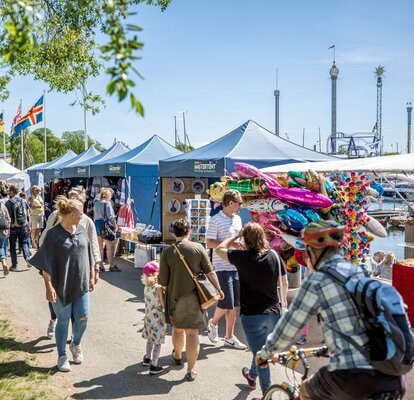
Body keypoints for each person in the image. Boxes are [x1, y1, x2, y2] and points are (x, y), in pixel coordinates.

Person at [256, 220, 406, 400]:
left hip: (352, 377)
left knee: (305, 390)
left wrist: (266, 353)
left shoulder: (318, 280)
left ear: (312, 252)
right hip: (394, 379)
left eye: (306, 253)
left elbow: (290, 325)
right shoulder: (360, 274)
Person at [215, 222, 288, 397]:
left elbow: (219, 249)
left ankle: (267, 394)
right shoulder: (274, 256)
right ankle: (251, 375)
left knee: (261, 357)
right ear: (262, 237)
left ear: (246, 239)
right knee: (260, 350)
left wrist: (236, 235)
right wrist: (283, 303)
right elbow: (284, 283)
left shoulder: (242, 257)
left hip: (252, 316)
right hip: (274, 313)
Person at [29, 197, 95, 372]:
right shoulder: (53, 234)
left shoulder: (81, 229)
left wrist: (93, 272)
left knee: (83, 317)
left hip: (80, 283)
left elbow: (88, 254)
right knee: (64, 320)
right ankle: (62, 355)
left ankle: (76, 344)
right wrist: (48, 286)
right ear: (72, 214)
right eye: (81, 213)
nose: (83, 215)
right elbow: (45, 262)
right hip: (60, 285)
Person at [158, 218, 223, 381]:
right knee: (193, 333)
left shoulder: (167, 252)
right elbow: (210, 272)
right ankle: (191, 369)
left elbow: (163, 281)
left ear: (174, 233)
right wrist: (219, 289)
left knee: (178, 329)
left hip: (175, 298)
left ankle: (177, 355)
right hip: (196, 298)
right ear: (189, 231)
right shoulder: (198, 248)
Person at [39, 186, 102, 338]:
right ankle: (54, 319)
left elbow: (93, 244)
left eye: (78, 200)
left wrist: (96, 268)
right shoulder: (56, 215)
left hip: (77, 268)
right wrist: (45, 258)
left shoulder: (86, 221)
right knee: (56, 297)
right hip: (55, 264)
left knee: (79, 307)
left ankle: (75, 336)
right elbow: (45, 236)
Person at [206, 189, 246, 350]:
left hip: (236, 265)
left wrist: (241, 245)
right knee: (226, 302)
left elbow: (239, 240)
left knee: (234, 304)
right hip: (222, 266)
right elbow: (209, 243)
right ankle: (213, 323)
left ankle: (229, 337)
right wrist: (231, 244)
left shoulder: (238, 219)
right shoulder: (215, 219)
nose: (241, 206)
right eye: (239, 203)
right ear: (230, 203)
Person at [141, 261, 166, 375]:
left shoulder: (146, 287)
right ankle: (154, 364)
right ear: (156, 274)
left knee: (150, 339)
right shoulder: (158, 288)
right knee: (157, 342)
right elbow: (163, 303)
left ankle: (147, 358)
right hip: (158, 319)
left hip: (148, 318)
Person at [93, 187, 120, 272]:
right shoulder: (107, 203)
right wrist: (115, 225)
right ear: (108, 196)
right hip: (105, 226)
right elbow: (111, 217)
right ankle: (111, 265)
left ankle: (101, 266)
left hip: (97, 225)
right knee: (110, 247)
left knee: (100, 247)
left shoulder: (96, 203)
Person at [5, 185, 31, 270]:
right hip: (23, 225)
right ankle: (27, 258)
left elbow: (7, 217)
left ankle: (14, 265)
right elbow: (28, 213)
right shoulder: (23, 201)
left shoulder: (9, 203)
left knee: (12, 246)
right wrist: (29, 225)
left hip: (13, 227)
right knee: (24, 243)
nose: (8, 192)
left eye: (9, 190)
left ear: (12, 192)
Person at [0, 199, 11, 276]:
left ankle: (3, 261)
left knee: (0, 247)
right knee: (2, 246)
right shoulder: (3, 206)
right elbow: (8, 218)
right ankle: (4, 261)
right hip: (4, 229)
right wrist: (9, 228)